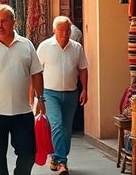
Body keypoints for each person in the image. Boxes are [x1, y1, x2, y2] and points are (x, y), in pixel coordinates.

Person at [0, 5, 45, 175]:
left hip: (22, 112)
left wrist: (40, 99)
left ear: (13, 22)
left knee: (28, 155)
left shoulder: (26, 45)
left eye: (3, 21)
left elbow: (37, 73)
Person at [37, 17, 89, 175]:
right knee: (57, 125)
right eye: (61, 30)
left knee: (67, 130)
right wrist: (35, 96)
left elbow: (83, 69)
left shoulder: (77, 48)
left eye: (67, 30)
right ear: (54, 30)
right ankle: (61, 162)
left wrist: (85, 89)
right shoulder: (45, 47)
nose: (65, 33)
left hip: (71, 94)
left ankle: (55, 157)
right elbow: (36, 72)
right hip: (50, 94)